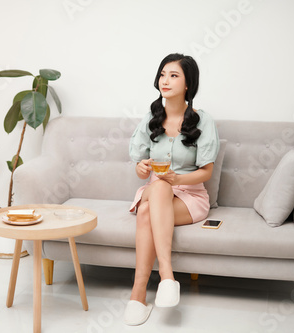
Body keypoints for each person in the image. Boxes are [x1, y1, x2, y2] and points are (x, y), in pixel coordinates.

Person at [124, 53, 220, 326]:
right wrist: (141, 169)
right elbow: (140, 162)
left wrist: (178, 180)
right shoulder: (151, 118)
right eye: (163, 74)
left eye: (174, 75)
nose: (165, 80)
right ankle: (164, 280)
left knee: (153, 200)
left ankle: (140, 294)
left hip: (191, 196)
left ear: (189, 84)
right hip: (159, 191)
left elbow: (207, 172)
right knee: (157, 190)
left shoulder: (203, 121)